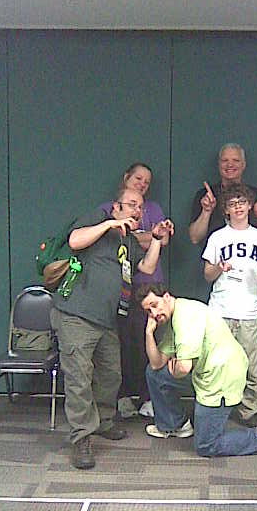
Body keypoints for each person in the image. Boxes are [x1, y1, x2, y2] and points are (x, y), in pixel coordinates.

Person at [50, 188, 174, 469]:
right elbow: (75, 240)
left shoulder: (128, 240)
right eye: (131, 205)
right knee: (79, 377)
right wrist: (108, 224)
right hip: (76, 314)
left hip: (106, 320)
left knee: (110, 375)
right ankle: (81, 437)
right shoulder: (98, 219)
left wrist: (156, 239)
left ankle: (104, 421)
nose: (136, 211)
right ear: (116, 206)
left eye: (140, 207)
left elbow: (146, 267)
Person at [137, 283, 257, 457]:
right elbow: (156, 364)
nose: (154, 313)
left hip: (222, 378)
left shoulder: (185, 316)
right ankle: (175, 425)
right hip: (206, 372)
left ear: (166, 297)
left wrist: (177, 370)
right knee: (155, 374)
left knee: (206, 445)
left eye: (154, 305)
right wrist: (149, 333)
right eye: (148, 311)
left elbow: (183, 368)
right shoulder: (174, 317)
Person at [100, 163, 168, 420]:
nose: (142, 184)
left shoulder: (154, 209)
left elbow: (163, 239)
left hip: (150, 285)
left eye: (147, 182)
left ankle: (148, 397)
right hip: (121, 286)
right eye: (138, 178)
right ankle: (123, 397)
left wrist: (140, 236)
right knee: (120, 343)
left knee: (148, 340)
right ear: (126, 177)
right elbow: (114, 236)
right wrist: (144, 236)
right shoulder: (109, 209)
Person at [202, 183, 257, 425]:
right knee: (216, 362)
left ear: (250, 205)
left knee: (249, 366)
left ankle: (249, 411)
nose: (238, 207)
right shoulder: (217, 237)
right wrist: (218, 268)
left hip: (249, 311)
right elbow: (207, 274)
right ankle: (214, 410)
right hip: (220, 309)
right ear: (226, 210)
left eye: (242, 202)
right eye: (232, 204)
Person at [188, 143, 257, 244]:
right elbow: (195, 238)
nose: (230, 165)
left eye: (236, 160)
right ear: (219, 164)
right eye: (225, 160)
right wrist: (206, 211)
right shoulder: (205, 196)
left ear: (243, 165)